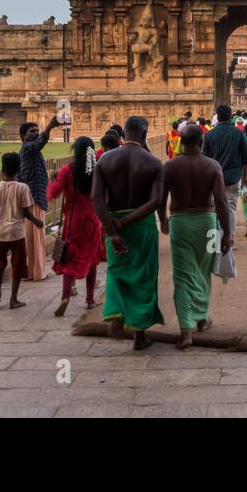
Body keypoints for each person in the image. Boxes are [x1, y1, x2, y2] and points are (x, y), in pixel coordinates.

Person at [92, 116, 165, 350]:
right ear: (144, 134)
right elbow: (156, 201)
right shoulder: (153, 163)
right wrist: (127, 221)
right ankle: (139, 335)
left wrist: (112, 230)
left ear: (123, 134)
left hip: (112, 222)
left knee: (117, 271)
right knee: (144, 278)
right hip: (141, 225)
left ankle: (116, 313)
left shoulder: (105, 160)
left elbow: (96, 198)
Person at [160, 123, 231, 349]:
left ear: (181, 141)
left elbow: (161, 198)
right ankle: (201, 318)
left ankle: (185, 331)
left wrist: (162, 219)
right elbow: (221, 200)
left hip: (180, 222)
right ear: (201, 143)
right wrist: (227, 233)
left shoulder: (169, 166)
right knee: (203, 270)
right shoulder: (212, 166)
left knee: (182, 276)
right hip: (208, 223)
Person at [0, 152, 43, 309]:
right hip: (16, 233)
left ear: (1, 170)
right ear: (19, 170)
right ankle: (13, 299)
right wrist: (37, 221)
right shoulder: (22, 188)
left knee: (0, 262)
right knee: (17, 265)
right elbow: (26, 213)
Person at [48, 136, 104, 317]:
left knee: (69, 258)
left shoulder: (67, 170)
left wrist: (53, 180)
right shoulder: (97, 171)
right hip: (93, 219)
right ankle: (89, 299)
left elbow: (54, 192)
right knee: (92, 258)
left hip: (73, 220)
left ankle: (65, 296)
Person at [18, 115, 60, 282]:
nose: (35, 133)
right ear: (23, 136)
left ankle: (32, 271)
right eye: (31, 131)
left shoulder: (31, 150)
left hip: (34, 198)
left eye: (37, 130)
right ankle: (38, 272)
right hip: (34, 198)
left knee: (32, 238)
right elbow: (40, 142)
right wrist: (49, 126)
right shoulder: (28, 148)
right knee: (37, 237)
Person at [202, 103, 247, 240]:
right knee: (230, 209)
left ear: (217, 117)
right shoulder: (238, 134)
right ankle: (229, 239)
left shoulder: (209, 135)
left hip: (213, 179)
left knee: (215, 209)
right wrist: (245, 177)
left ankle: (215, 240)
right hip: (233, 178)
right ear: (231, 116)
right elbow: (245, 159)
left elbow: (204, 158)